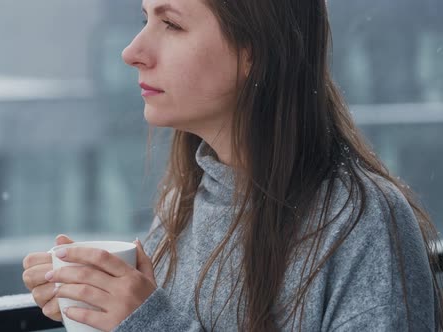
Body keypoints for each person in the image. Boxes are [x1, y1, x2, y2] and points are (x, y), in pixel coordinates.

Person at [22, 0, 442, 330]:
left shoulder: (362, 223)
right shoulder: (181, 206)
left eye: (171, 24)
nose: (132, 51)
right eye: (145, 18)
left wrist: (145, 322)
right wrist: (94, 308)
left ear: (253, 52)